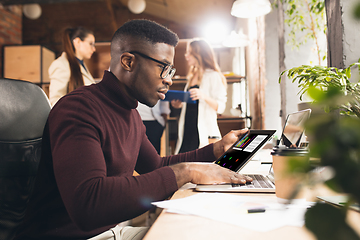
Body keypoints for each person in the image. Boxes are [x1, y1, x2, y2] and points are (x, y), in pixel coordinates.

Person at [14, 19, 251, 240]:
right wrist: (184, 172)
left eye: (172, 71)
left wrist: (216, 150)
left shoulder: (130, 114)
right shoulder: (80, 109)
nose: (169, 79)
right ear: (128, 62)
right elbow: (88, 204)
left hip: (110, 231)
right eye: (164, 68)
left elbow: (156, 166)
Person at [171, 39, 227, 154]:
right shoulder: (191, 76)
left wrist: (203, 96)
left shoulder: (213, 75)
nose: (186, 56)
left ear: (199, 54)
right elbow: (192, 105)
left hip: (203, 131)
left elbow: (221, 106)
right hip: (187, 129)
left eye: (189, 53)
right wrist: (180, 104)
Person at [48, 26, 96, 106]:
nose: (94, 49)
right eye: (91, 44)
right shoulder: (61, 64)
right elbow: (55, 102)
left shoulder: (81, 64)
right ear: (77, 42)